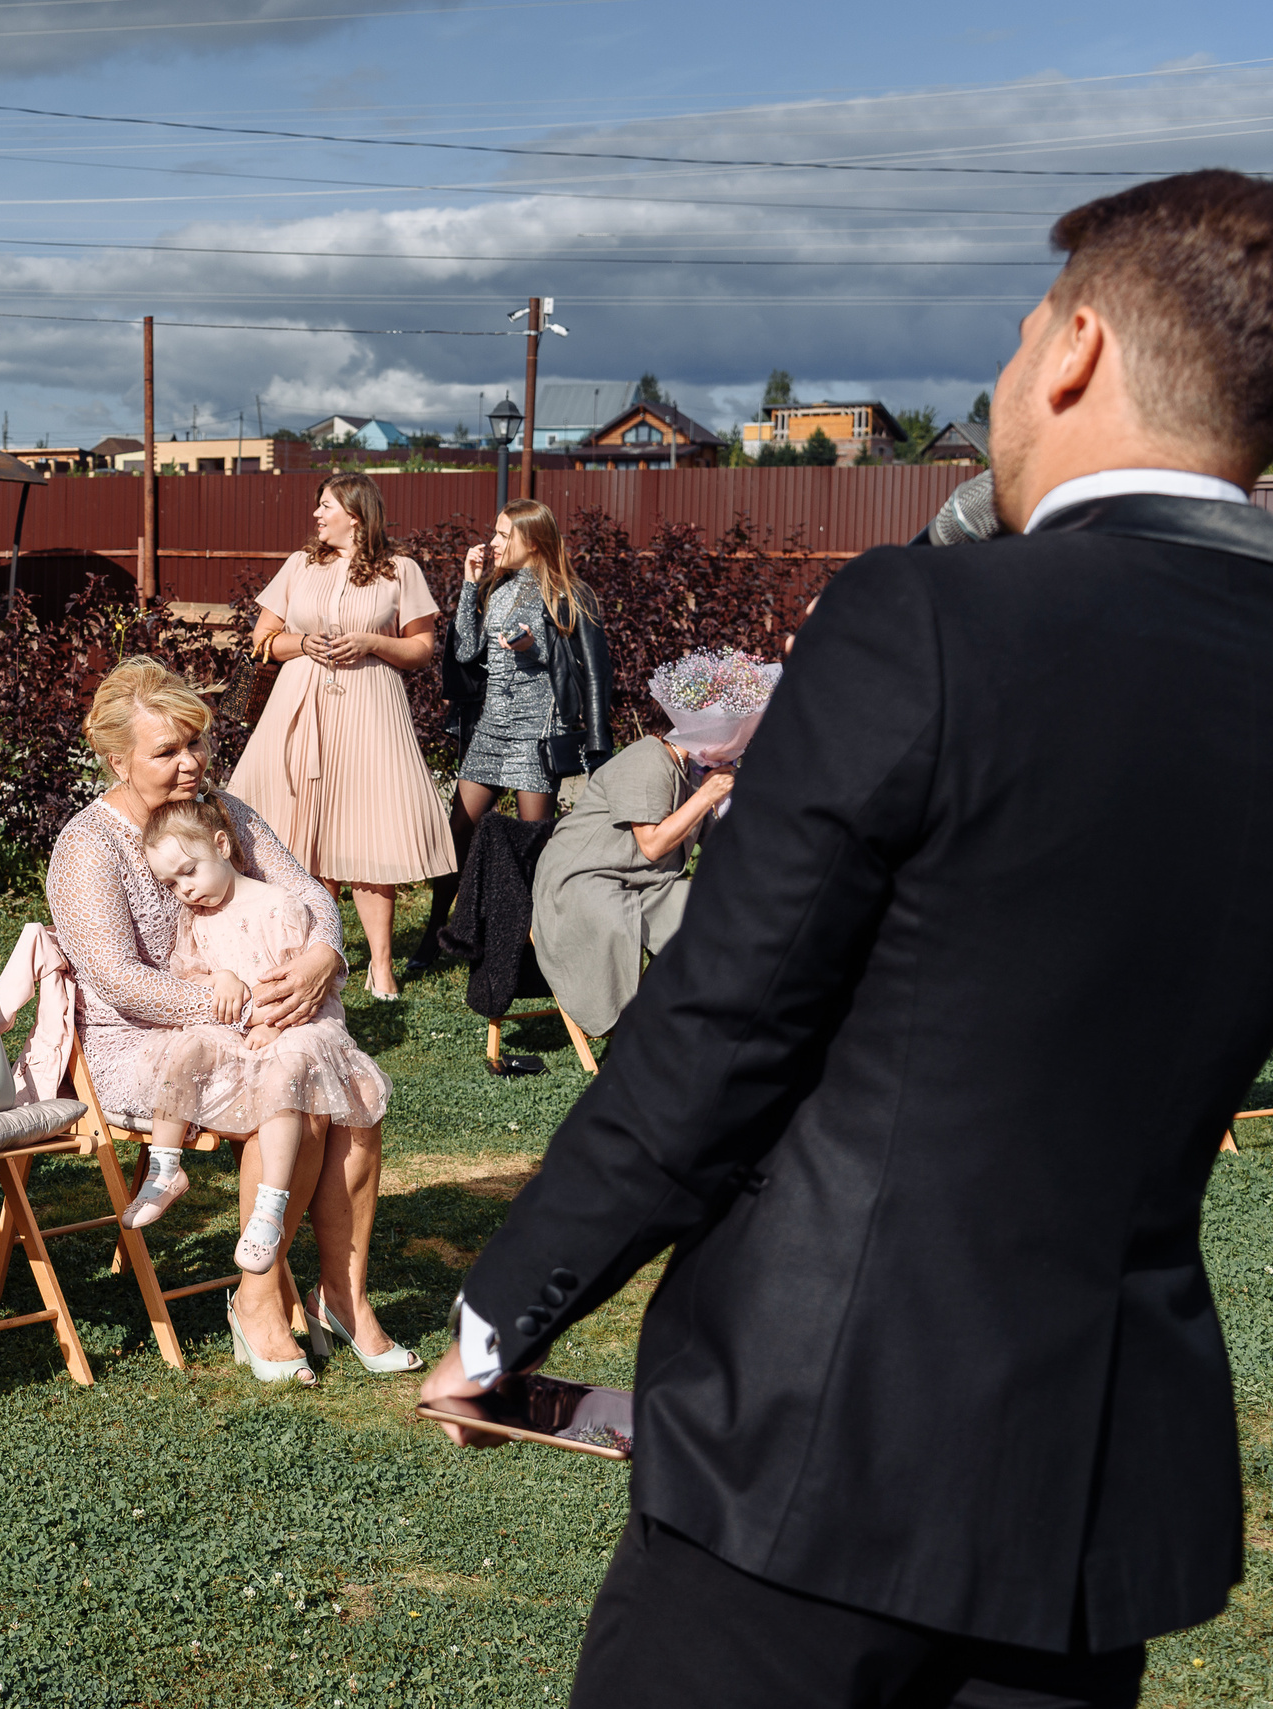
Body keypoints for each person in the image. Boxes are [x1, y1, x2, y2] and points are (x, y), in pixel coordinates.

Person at [420, 169, 1273, 1706]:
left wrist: (504, 1313)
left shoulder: (930, 623)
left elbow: (722, 1025)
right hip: (1087, 1491)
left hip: (810, 1454)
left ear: (1076, 349)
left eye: (1017, 341)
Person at [48, 658, 413, 1382]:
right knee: (299, 1094)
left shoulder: (223, 813)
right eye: (167, 751)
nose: (191, 763)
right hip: (146, 1044)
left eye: (197, 742)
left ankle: (343, 1295)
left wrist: (323, 956)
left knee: (353, 1097)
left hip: (249, 1025)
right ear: (118, 760)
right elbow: (119, 982)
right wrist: (246, 1005)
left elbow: (307, 891)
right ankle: (257, 1302)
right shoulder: (88, 846)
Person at [129, 795, 390, 1284]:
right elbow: (191, 974)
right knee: (183, 1049)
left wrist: (274, 1026)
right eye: (172, 884)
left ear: (222, 845)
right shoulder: (197, 919)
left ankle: (270, 1207)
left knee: (284, 1076)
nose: (185, 890)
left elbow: (312, 990)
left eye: (190, 872)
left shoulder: (278, 906)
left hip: (298, 1029)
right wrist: (221, 978)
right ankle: (165, 1168)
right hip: (240, 1030)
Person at [225, 471, 456, 1001]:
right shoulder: (299, 565)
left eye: (325, 505)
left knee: (369, 831)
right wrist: (303, 643)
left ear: (355, 514)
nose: (316, 514)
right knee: (302, 833)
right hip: (298, 706)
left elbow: (422, 648)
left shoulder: (400, 570)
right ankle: (318, 954)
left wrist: (372, 643)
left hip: (370, 709)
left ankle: (381, 965)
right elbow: (262, 639)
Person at [526, 647, 780, 1038]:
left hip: (649, 882)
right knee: (613, 922)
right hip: (585, 878)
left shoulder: (696, 769)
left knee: (709, 911)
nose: (743, 742)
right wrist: (706, 797)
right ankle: (633, 1027)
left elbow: (720, 845)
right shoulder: (648, 759)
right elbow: (652, 845)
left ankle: (691, 1014)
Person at [444, 501, 588, 886]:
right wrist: (470, 583)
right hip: (491, 729)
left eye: (504, 535)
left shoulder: (561, 594)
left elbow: (573, 662)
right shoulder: (498, 590)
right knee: (457, 831)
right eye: (495, 533)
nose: (493, 542)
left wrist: (532, 647)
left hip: (535, 731)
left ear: (534, 542)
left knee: (533, 843)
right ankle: (440, 921)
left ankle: (535, 922)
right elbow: (465, 650)